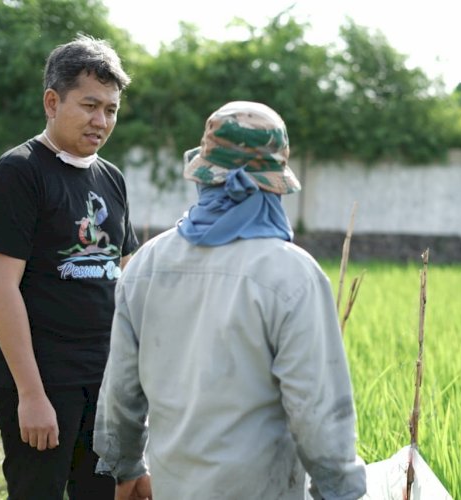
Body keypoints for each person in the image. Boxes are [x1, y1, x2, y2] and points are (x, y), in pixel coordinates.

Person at [94, 101, 367, 499]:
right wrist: (340, 492)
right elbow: (319, 414)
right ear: (274, 185)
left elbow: (120, 392)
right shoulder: (292, 275)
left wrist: (126, 468)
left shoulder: (148, 264)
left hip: (173, 486)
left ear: (205, 176)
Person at [0, 35, 139, 500]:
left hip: (104, 382)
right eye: (90, 105)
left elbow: (127, 277)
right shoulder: (20, 172)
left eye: (110, 109)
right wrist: (31, 395)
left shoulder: (112, 178)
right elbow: (0, 287)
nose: (101, 121)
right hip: (44, 379)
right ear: (52, 101)